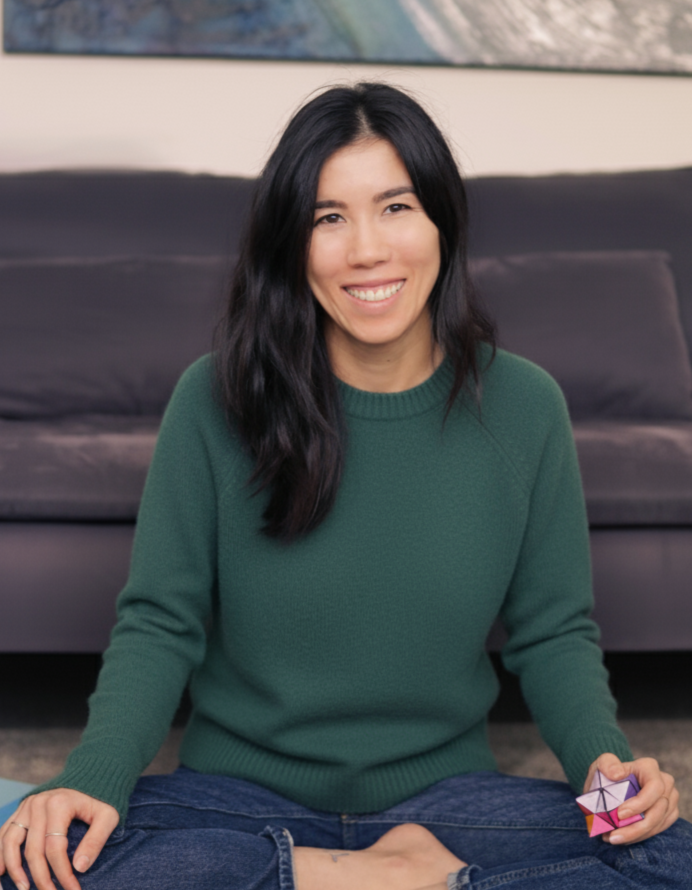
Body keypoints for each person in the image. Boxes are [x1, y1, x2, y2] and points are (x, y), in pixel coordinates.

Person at [0, 82, 689, 890]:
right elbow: (160, 620)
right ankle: (383, 878)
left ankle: (354, 873)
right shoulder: (214, 395)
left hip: (447, 803)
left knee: (670, 855)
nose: (367, 249)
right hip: (236, 799)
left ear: (442, 221)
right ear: (294, 242)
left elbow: (553, 633)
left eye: (396, 207)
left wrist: (612, 780)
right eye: (330, 218)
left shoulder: (525, 405)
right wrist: (92, 778)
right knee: (33, 855)